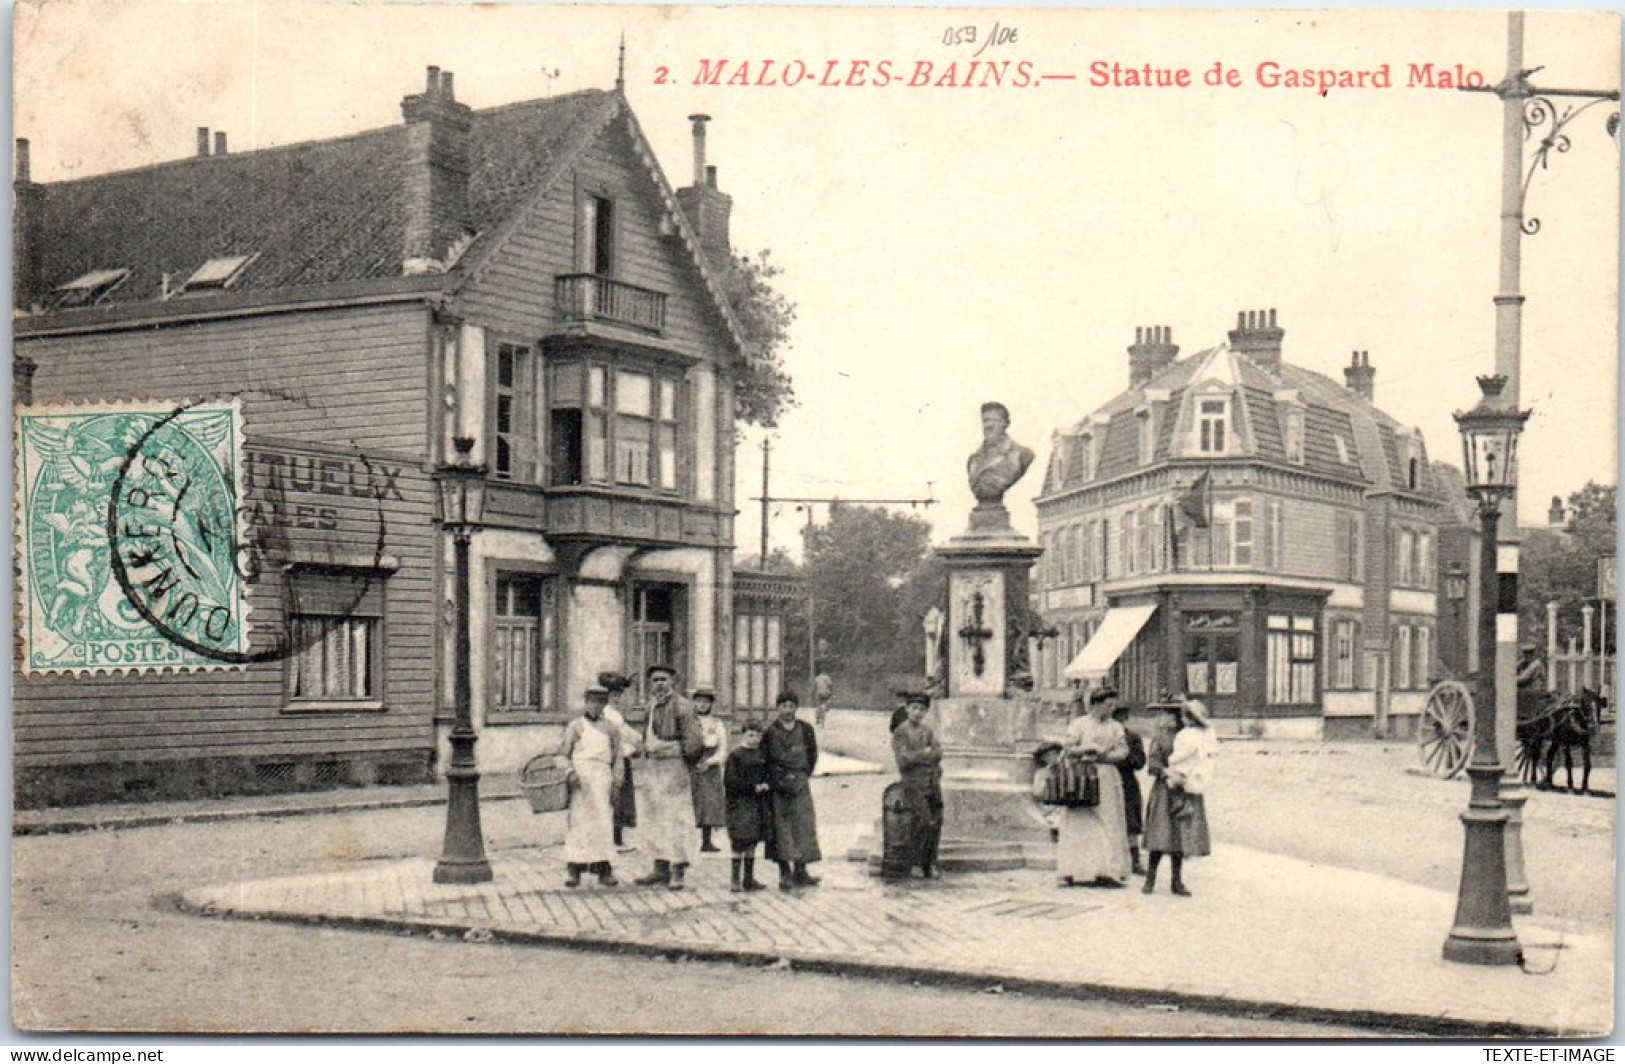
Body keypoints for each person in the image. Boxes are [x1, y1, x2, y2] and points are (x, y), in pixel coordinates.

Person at [631, 665, 705, 890]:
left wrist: (682, 756)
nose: (659, 684)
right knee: (653, 818)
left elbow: (694, 741)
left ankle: (678, 870)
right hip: (653, 767)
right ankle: (660, 866)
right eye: (655, 680)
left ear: (673, 681)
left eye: (663, 679)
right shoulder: (650, 706)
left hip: (674, 768)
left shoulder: (683, 706)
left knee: (676, 818)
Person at [1057, 688, 1132, 888]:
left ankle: (1107, 870)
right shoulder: (1079, 724)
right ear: (1096, 704)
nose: (1112, 708)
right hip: (1083, 775)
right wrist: (1085, 749)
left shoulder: (1115, 727)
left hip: (1107, 776)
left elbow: (1124, 751)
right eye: (1108, 704)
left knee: (1108, 820)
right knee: (1081, 820)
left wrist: (1103, 756)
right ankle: (1076, 870)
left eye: (1113, 704)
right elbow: (1068, 749)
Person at [1142, 699, 1216, 896]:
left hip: (1186, 789)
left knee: (1180, 836)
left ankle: (1177, 881)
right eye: (1171, 714)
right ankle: (1150, 878)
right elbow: (1153, 763)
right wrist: (1166, 773)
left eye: (1177, 714)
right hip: (1165, 790)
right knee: (1160, 833)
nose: (1174, 718)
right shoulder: (1162, 737)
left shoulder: (1193, 736)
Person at [557, 686, 622, 889]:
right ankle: (574, 869)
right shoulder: (576, 726)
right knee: (579, 822)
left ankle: (603, 868)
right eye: (591, 701)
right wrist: (570, 772)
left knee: (603, 822)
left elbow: (618, 757)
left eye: (600, 701)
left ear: (605, 704)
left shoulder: (612, 728)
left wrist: (617, 781)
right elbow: (561, 755)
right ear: (586, 702)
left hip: (602, 778)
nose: (595, 705)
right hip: (581, 779)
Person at [761, 690, 822, 890]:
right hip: (779, 788)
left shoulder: (805, 729)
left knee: (802, 826)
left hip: (800, 785)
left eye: (791, 706)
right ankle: (784, 872)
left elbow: (812, 754)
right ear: (777, 708)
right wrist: (778, 779)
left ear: (796, 708)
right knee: (781, 829)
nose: (787, 710)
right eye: (783, 706)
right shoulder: (770, 732)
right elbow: (765, 759)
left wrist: (802, 775)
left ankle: (801, 870)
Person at [889, 691, 945, 879]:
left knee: (934, 823)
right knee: (918, 823)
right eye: (914, 708)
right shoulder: (901, 732)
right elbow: (904, 759)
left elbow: (938, 752)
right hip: (913, 785)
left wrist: (924, 754)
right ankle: (915, 863)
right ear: (907, 709)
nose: (918, 713)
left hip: (931, 783)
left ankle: (930, 862)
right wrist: (925, 753)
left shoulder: (927, 730)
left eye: (922, 709)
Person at [723, 717, 772, 892]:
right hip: (739, 804)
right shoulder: (735, 756)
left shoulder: (761, 755)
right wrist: (752, 788)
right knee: (739, 841)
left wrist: (766, 783)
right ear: (743, 735)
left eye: (758, 735)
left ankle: (748, 879)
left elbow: (767, 773)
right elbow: (730, 781)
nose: (754, 739)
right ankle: (734, 879)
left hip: (757, 805)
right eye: (751, 735)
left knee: (752, 840)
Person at [965, 401, 1036, 507]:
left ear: (1006, 424)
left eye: (995, 420)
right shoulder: (973, 459)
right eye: (985, 420)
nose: (989, 425)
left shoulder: (1022, 454)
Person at [599, 671, 639, 850]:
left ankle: (616, 839)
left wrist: (639, 741)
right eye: (613, 695)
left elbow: (629, 733)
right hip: (615, 760)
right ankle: (614, 840)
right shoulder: (608, 714)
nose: (616, 698)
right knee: (616, 798)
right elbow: (621, 736)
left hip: (621, 758)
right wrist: (636, 745)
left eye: (619, 695)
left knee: (621, 798)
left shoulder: (615, 714)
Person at [689, 687, 728, 853]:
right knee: (691, 801)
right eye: (699, 701)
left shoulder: (717, 724)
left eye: (706, 702)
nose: (702, 705)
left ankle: (707, 841)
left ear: (711, 704)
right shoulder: (688, 722)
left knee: (709, 803)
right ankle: (688, 840)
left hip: (710, 768)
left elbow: (723, 749)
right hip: (691, 764)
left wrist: (711, 761)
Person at [1112, 703, 1148, 876]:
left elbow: (1140, 762)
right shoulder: (1108, 736)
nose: (1119, 723)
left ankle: (1134, 860)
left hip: (1127, 781)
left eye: (1122, 719)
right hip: (1109, 780)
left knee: (1131, 821)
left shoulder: (1132, 738)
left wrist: (1121, 759)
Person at [1030, 741, 1065, 843]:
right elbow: (1037, 793)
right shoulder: (1041, 773)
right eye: (1048, 755)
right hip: (1049, 806)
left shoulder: (1065, 771)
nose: (1052, 757)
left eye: (1055, 754)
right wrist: (1047, 776)